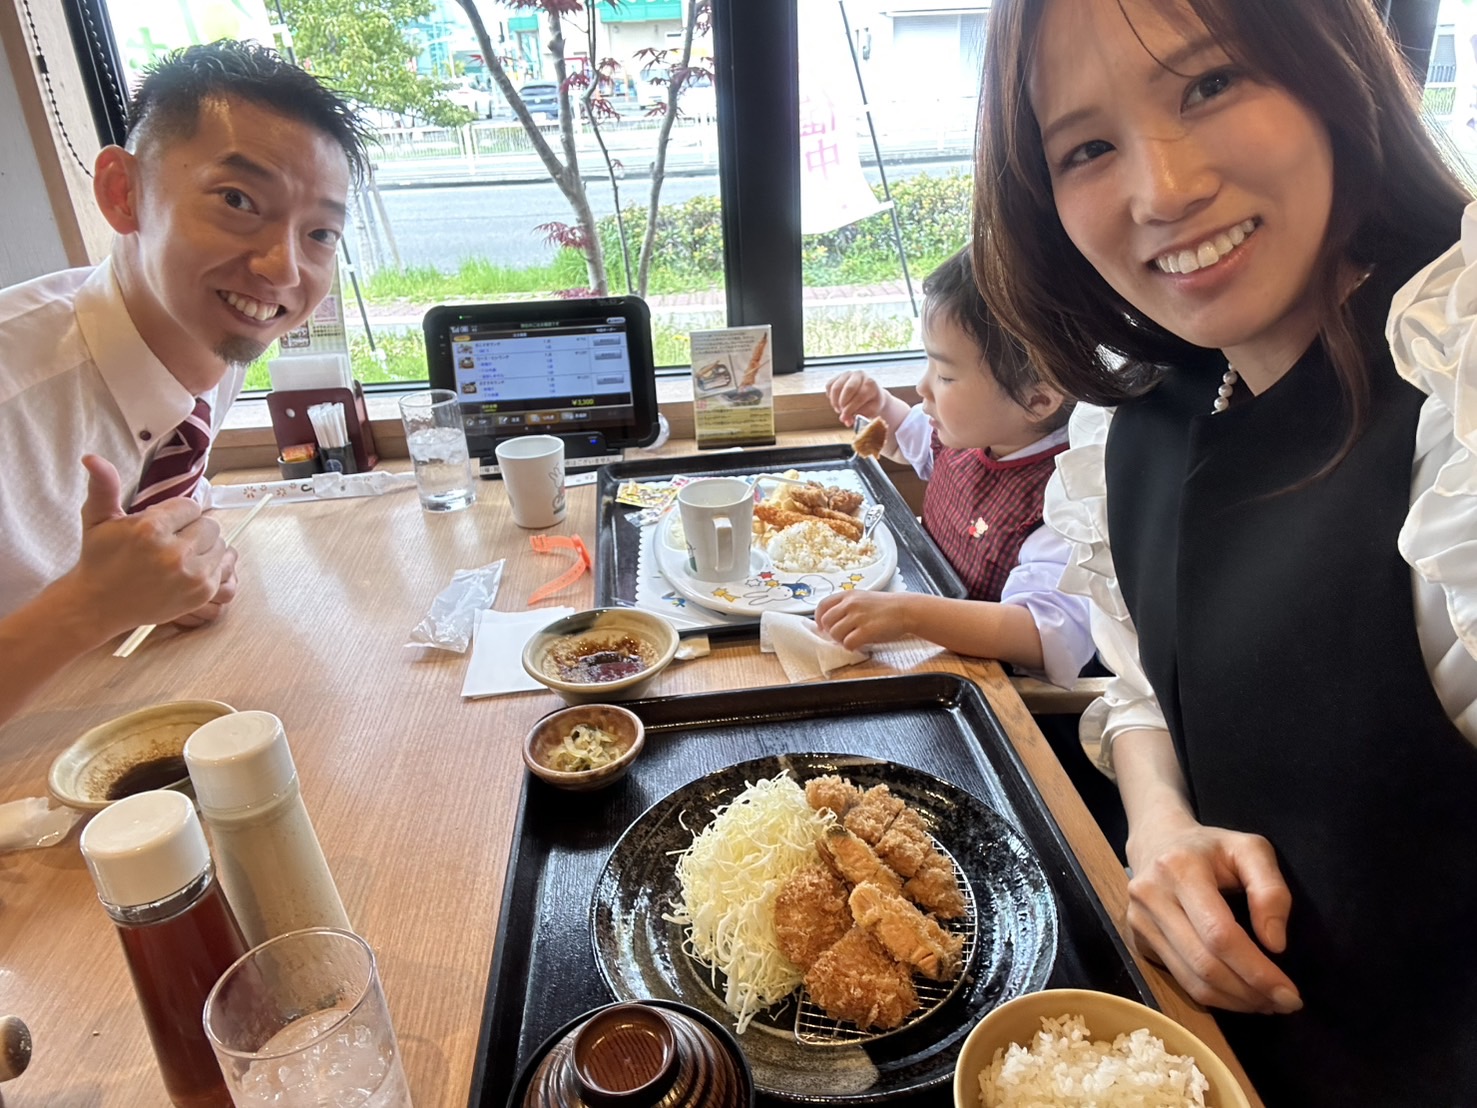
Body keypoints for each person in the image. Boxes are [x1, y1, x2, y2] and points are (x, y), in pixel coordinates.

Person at [975, 0, 1477, 1102]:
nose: (1162, 190)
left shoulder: (1458, 398)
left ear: (1333, 69)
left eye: (1210, 83)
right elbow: (1142, 687)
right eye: (1086, 147)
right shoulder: (1142, 415)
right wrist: (1158, 822)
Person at [0, 40, 367, 725]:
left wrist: (173, 579)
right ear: (123, 192)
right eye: (238, 200)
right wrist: (87, 607)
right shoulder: (14, 397)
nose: (283, 270)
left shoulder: (211, 333)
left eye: (320, 234)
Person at [816, 247, 1096, 692]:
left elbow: (1041, 634)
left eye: (945, 376)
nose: (922, 386)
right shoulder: (968, 436)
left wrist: (909, 614)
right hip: (924, 644)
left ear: (1037, 399)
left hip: (987, 690)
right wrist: (878, 404)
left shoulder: (1066, 501)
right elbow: (904, 440)